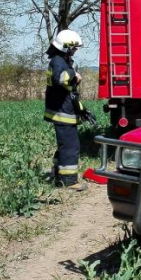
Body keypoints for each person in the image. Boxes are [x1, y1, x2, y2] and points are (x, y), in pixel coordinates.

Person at [44, 29, 86, 191]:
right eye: (74, 47)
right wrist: (73, 74)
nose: (75, 50)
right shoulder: (58, 62)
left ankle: (57, 174)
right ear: (66, 47)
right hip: (63, 113)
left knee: (65, 146)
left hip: (64, 110)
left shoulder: (61, 60)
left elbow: (66, 87)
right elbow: (59, 79)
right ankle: (68, 181)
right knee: (70, 147)